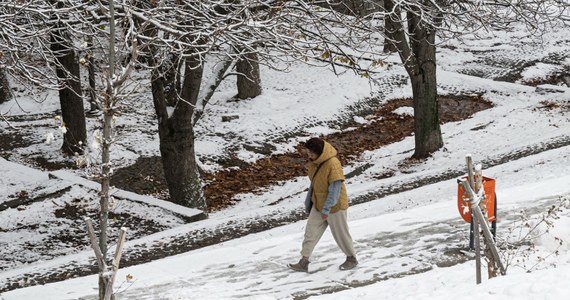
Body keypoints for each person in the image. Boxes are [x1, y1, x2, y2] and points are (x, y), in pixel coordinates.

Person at [288, 137, 358, 272]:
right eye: (307, 152)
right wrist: (309, 202)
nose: (308, 155)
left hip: (335, 205)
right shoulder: (314, 163)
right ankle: (304, 261)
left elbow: (335, 190)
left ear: (320, 153)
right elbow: (314, 183)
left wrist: (326, 209)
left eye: (311, 153)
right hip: (318, 203)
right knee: (310, 232)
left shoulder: (333, 164)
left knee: (341, 234)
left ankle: (351, 258)